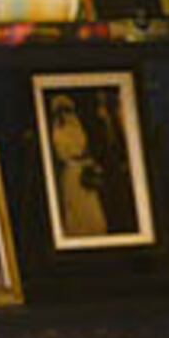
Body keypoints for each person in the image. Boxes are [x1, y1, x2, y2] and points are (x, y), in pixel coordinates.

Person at [47, 95, 114, 239]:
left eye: (68, 110)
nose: (66, 114)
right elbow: (64, 153)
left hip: (83, 169)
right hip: (73, 172)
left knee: (91, 209)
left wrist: (91, 163)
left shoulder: (77, 126)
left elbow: (84, 147)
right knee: (77, 209)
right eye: (62, 110)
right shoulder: (57, 130)